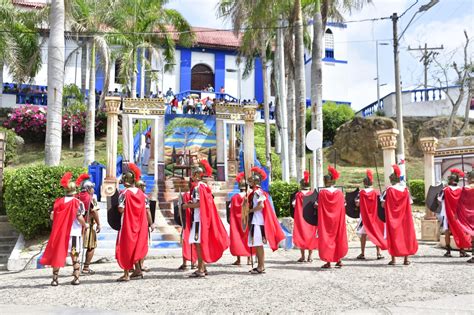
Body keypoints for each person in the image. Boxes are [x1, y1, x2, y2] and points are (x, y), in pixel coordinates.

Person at [181, 160, 229, 277]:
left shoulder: (198, 187)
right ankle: (203, 267)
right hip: (199, 218)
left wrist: (187, 205)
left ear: (197, 174)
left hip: (198, 219)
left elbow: (200, 204)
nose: (191, 175)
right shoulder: (203, 186)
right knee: (199, 243)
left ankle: (200, 269)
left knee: (198, 244)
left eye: (193, 173)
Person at [40, 172, 87, 286]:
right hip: (74, 234)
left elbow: (52, 216)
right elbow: (79, 217)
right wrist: (85, 225)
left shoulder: (58, 202)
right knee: (74, 256)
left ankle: (55, 280)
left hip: (60, 234)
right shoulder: (78, 202)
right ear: (75, 191)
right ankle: (76, 279)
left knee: (58, 255)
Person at [116, 163, 153, 281]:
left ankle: (126, 274)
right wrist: (151, 223)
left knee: (126, 246)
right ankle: (137, 270)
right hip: (141, 224)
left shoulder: (124, 194)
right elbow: (147, 210)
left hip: (127, 223)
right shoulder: (143, 195)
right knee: (136, 246)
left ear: (126, 181)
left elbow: (121, 209)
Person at [247, 167, 285, 274]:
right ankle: (260, 265)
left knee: (258, 245)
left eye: (251, 181)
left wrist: (249, 210)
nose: (249, 183)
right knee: (257, 245)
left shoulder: (258, 192)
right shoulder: (257, 192)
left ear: (255, 182)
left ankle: (261, 266)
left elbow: (261, 206)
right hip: (256, 221)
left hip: (258, 221)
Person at [381, 164, 418, 266]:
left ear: (392, 180)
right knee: (405, 236)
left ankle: (393, 260)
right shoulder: (406, 190)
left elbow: (383, 204)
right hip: (405, 218)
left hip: (393, 218)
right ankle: (406, 260)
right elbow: (410, 203)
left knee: (393, 237)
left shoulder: (388, 190)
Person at [316, 166, 348, 269]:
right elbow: (343, 205)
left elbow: (318, 205)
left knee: (327, 239)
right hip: (337, 220)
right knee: (337, 238)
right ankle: (339, 260)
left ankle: (328, 262)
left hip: (326, 221)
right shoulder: (339, 193)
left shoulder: (322, 193)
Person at [437, 168, 470, 258]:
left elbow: (439, 199)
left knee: (447, 231)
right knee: (460, 230)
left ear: (450, 181)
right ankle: (462, 251)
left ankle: (448, 251)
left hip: (446, 214)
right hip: (459, 214)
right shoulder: (461, 190)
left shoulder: (445, 190)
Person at [354, 169, 386, 260]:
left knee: (363, 235)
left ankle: (362, 253)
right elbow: (382, 204)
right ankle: (378, 253)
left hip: (364, 217)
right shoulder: (376, 192)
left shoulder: (361, 193)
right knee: (376, 233)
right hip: (375, 217)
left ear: (364, 183)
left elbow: (357, 203)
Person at [76, 174, 101, 275]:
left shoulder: (76, 196)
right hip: (87, 225)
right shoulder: (91, 198)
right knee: (91, 246)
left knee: (75, 247)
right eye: (92, 188)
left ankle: (75, 266)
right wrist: (99, 224)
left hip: (76, 226)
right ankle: (86, 267)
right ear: (88, 188)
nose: (93, 190)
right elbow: (94, 212)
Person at [291, 171, 318, 263]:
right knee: (311, 237)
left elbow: (293, 205)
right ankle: (310, 257)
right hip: (310, 220)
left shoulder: (298, 195)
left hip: (300, 220)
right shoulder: (312, 194)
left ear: (301, 185)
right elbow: (316, 205)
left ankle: (302, 257)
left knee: (301, 236)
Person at [229, 172, 251, 265]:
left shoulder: (234, 197)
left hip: (237, 222)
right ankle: (249, 260)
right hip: (247, 220)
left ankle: (238, 260)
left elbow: (231, 208)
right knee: (248, 238)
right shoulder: (249, 196)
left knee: (237, 238)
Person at [135, 180, 156, 272]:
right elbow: (147, 211)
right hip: (143, 223)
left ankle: (135, 265)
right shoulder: (144, 197)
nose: (145, 187)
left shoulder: (131, 195)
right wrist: (151, 223)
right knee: (143, 243)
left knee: (135, 244)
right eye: (143, 186)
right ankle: (141, 265)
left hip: (133, 223)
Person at [178, 180, 197, 271]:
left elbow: (180, 208)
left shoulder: (184, 195)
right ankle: (194, 263)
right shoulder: (196, 194)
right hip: (194, 221)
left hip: (187, 222)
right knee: (195, 241)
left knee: (185, 240)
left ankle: (185, 263)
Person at [456, 170, 474, 263]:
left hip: (469, 215)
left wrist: (457, 214)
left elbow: (461, 202)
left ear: (470, 178)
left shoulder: (465, 188)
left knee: (473, 236)